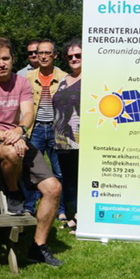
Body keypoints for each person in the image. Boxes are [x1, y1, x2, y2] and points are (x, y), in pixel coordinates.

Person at [0, 37, 63, 267]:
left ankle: (38, 247)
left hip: (18, 139)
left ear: (13, 59)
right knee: (11, 153)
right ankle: (14, 193)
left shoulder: (22, 83)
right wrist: (9, 137)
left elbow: (28, 113)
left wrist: (20, 130)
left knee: (53, 187)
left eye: (5, 58)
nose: (1, 63)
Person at [25, 39, 68, 220]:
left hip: (56, 129)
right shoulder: (28, 77)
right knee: (31, 171)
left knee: (59, 171)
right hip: (35, 129)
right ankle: (29, 206)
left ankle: (60, 209)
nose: (42, 56)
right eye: (39, 53)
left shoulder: (65, 77)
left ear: (55, 55)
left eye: (47, 53)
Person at [52, 39, 82, 233]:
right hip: (62, 139)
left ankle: (82, 216)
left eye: (78, 55)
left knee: (82, 179)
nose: (73, 59)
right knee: (68, 180)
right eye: (69, 56)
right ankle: (73, 215)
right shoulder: (64, 80)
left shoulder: (93, 79)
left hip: (82, 139)